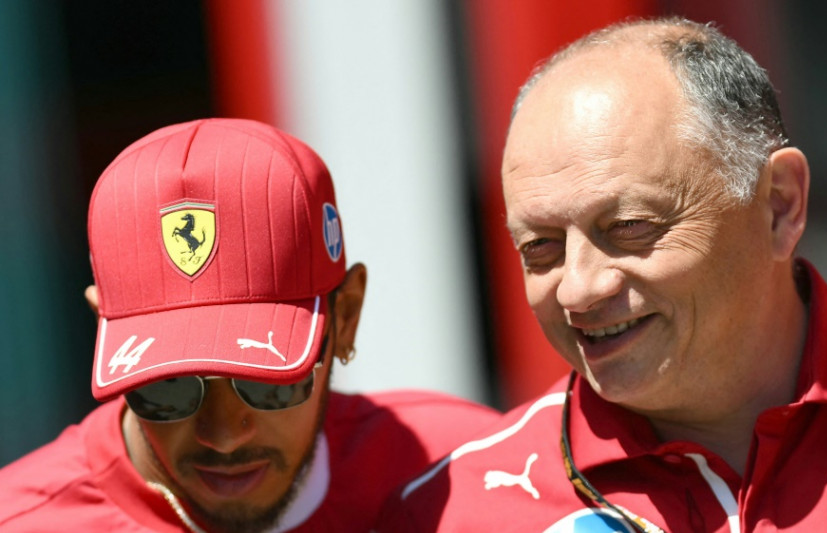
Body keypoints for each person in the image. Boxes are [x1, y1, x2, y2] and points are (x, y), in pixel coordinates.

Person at [378, 17, 827, 532]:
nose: (578, 289)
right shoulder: (450, 515)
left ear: (779, 204)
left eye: (628, 227)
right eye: (540, 247)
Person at [0, 118, 501, 533]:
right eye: (168, 387)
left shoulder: (473, 471)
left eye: (266, 381)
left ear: (346, 317)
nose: (224, 436)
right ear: (104, 336)